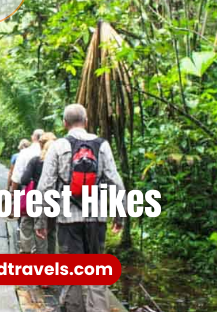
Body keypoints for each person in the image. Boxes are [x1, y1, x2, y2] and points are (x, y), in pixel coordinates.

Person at [35, 104, 125, 312]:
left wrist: (41, 221)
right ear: (86, 121)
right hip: (96, 219)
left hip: (67, 221)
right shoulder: (102, 145)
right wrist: (120, 216)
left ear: (64, 124)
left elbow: (44, 186)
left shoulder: (58, 146)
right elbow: (116, 182)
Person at [15, 132, 56, 254]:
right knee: (51, 231)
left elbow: (24, 180)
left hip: (34, 199)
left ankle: (27, 252)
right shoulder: (58, 161)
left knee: (27, 224)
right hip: (53, 201)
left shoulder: (35, 161)